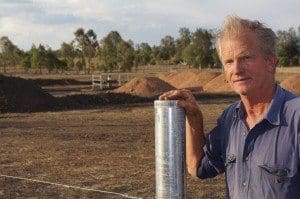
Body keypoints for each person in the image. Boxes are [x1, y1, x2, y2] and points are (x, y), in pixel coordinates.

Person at [159, 15, 300, 198]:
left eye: (246, 57)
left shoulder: (295, 118)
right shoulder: (229, 119)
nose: (237, 69)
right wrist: (194, 118)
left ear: (270, 62)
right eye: (229, 62)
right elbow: (198, 167)